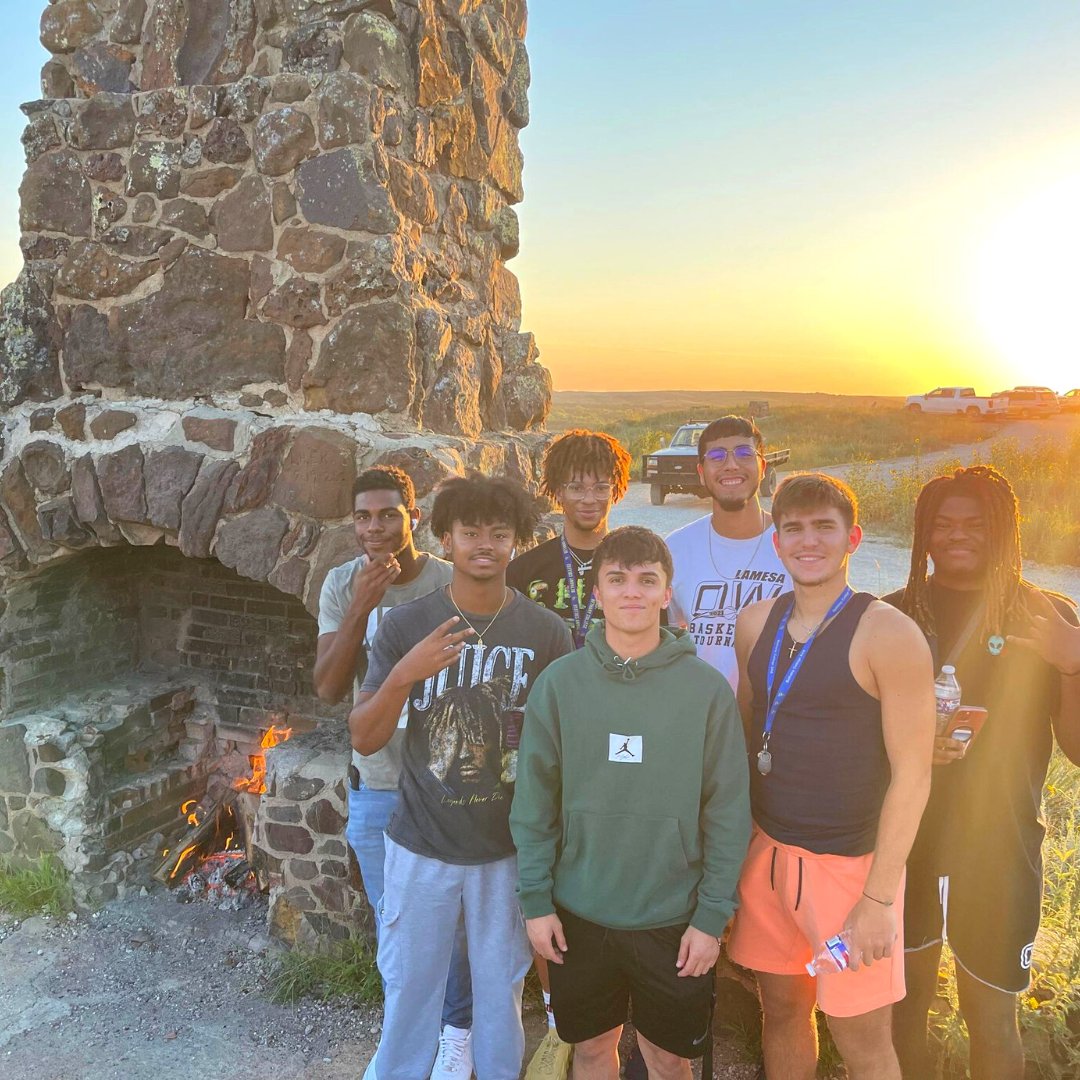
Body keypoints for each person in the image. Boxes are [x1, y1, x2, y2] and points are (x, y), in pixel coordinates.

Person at [351, 474, 573, 1080]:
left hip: (505, 850)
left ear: (516, 542)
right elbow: (364, 735)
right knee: (410, 990)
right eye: (469, 531)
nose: (484, 544)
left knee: (501, 995)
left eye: (499, 533)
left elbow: (560, 745)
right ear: (443, 538)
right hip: (421, 843)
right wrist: (405, 673)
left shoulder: (546, 633)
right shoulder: (404, 623)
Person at [511, 526, 751, 1080]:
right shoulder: (559, 685)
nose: (632, 592)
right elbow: (534, 804)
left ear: (668, 593)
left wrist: (712, 916)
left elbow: (728, 812)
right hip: (580, 911)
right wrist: (536, 900)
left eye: (648, 580)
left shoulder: (706, 691)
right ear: (597, 592)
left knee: (668, 1058)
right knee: (593, 1050)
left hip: (672, 917)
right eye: (616, 579)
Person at [729, 473, 935, 1080]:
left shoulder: (888, 633)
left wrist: (878, 899)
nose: (808, 540)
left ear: (854, 538)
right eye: (793, 527)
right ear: (776, 541)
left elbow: (914, 775)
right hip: (767, 856)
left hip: (849, 872)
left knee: (861, 1038)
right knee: (783, 1010)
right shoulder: (753, 624)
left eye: (825, 527)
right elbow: (748, 740)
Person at [886, 466, 1080, 1080]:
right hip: (907, 842)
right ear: (923, 534)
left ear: (1004, 530)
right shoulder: (892, 614)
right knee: (903, 1005)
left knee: (992, 1020)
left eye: (975, 524)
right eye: (941, 525)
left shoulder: (1045, 614)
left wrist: (1072, 665)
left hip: (1001, 842)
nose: (956, 535)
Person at [313, 465, 473, 1077]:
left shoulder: (447, 581)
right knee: (399, 928)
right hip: (377, 781)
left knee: (454, 925)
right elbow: (329, 687)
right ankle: (408, 1043)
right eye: (362, 517)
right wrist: (360, 607)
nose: (374, 529)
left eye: (387, 514)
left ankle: (456, 1036)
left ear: (413, 513)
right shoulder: (340, 585)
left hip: (443, 782)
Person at [507, 428, 633, 1080]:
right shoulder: (524, 570)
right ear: (554, 490)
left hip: (615, 758)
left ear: (619, 486)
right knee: (547, 885)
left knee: (611, 883)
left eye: (600, 483)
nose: (589, 496)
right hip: (540, 755)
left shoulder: (637, 565)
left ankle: (611, 1022)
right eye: (575, 484)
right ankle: (559, 1018)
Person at [666, 415, 790, 690]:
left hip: (776, 717)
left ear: (762, 466)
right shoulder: (675, 549)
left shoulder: (794, 546)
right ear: (701, 472)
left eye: (744, 453)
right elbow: (668, 639)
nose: (731, 465)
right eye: (717, 456)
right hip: (701, 718)